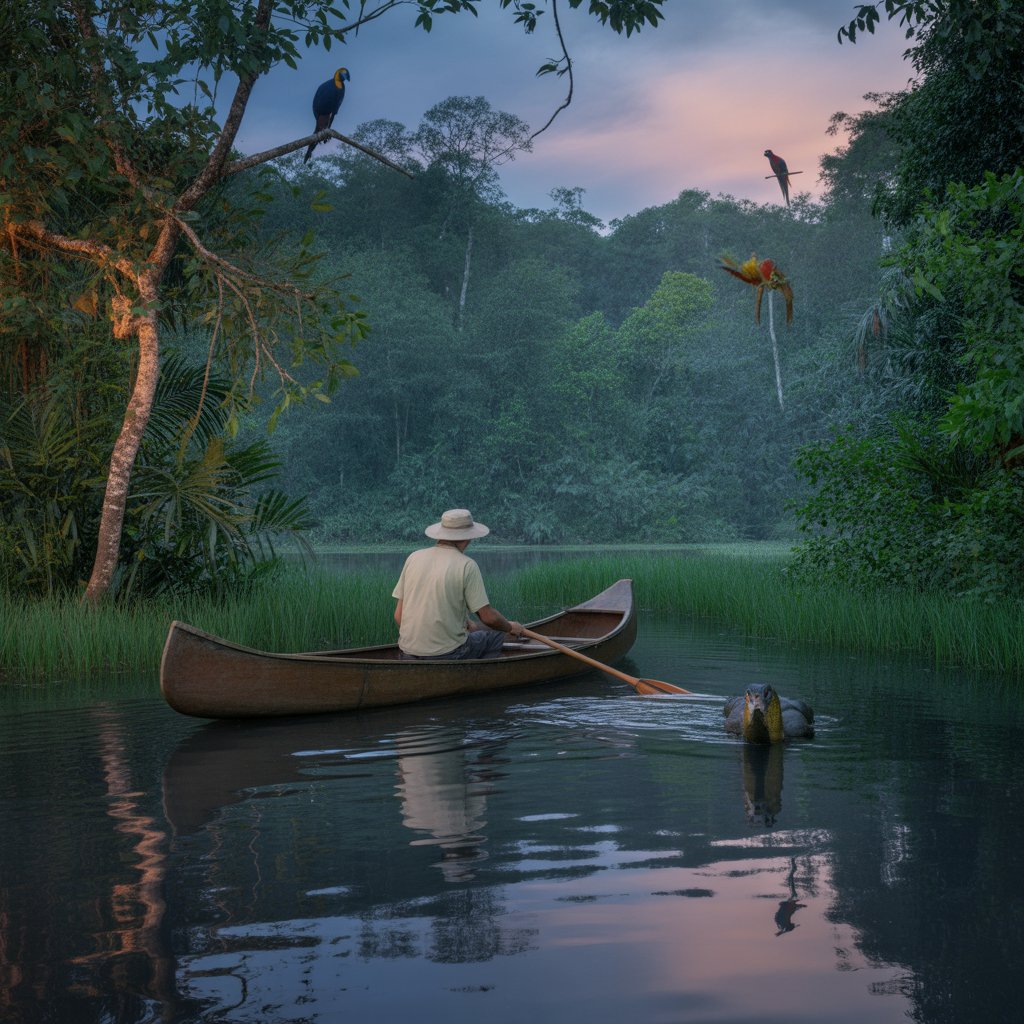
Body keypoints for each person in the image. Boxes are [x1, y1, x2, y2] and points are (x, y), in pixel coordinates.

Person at [392, 508, 525, 660]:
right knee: (495, 636)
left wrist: (466, 622)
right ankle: (479, 676)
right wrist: (510, 627)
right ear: (468, 538)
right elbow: (489, 618)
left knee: (476, 632)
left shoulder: (413, 558)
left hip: (407, 652)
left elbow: (398, 616)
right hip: (449, 654)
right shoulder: (467, 565)